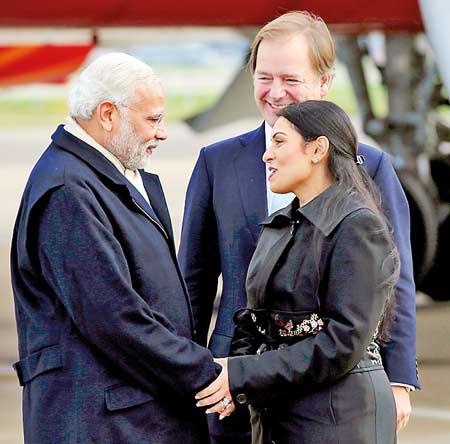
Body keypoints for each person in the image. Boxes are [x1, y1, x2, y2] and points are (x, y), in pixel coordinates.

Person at [179, 10, 419, 443]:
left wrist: (398, 376)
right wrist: (187, 370)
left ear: (324, 84)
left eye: (290, 79)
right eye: (264, 77)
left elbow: (393, 280)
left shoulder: (372, 166)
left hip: (327, 389)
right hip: (231, 377)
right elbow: (193, 281)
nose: (275, 92)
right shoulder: (217, 162)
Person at [10, 52, 220, 444]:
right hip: (105, 426)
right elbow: (114, 318)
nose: (163, 133)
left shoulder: (100, 176)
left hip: (132, 418)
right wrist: (207, 373)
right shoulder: (68, 190)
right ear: (108, 115)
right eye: (153, 119)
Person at [195, 100, 400, 444]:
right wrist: (234, 381)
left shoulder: (357, 225)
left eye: (279, 142)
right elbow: (253, 319)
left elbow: (343, 341)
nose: (266, 155)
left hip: (339, 419)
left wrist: (243, 372)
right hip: (280, 416)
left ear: (317, 149)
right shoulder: (280, 224)